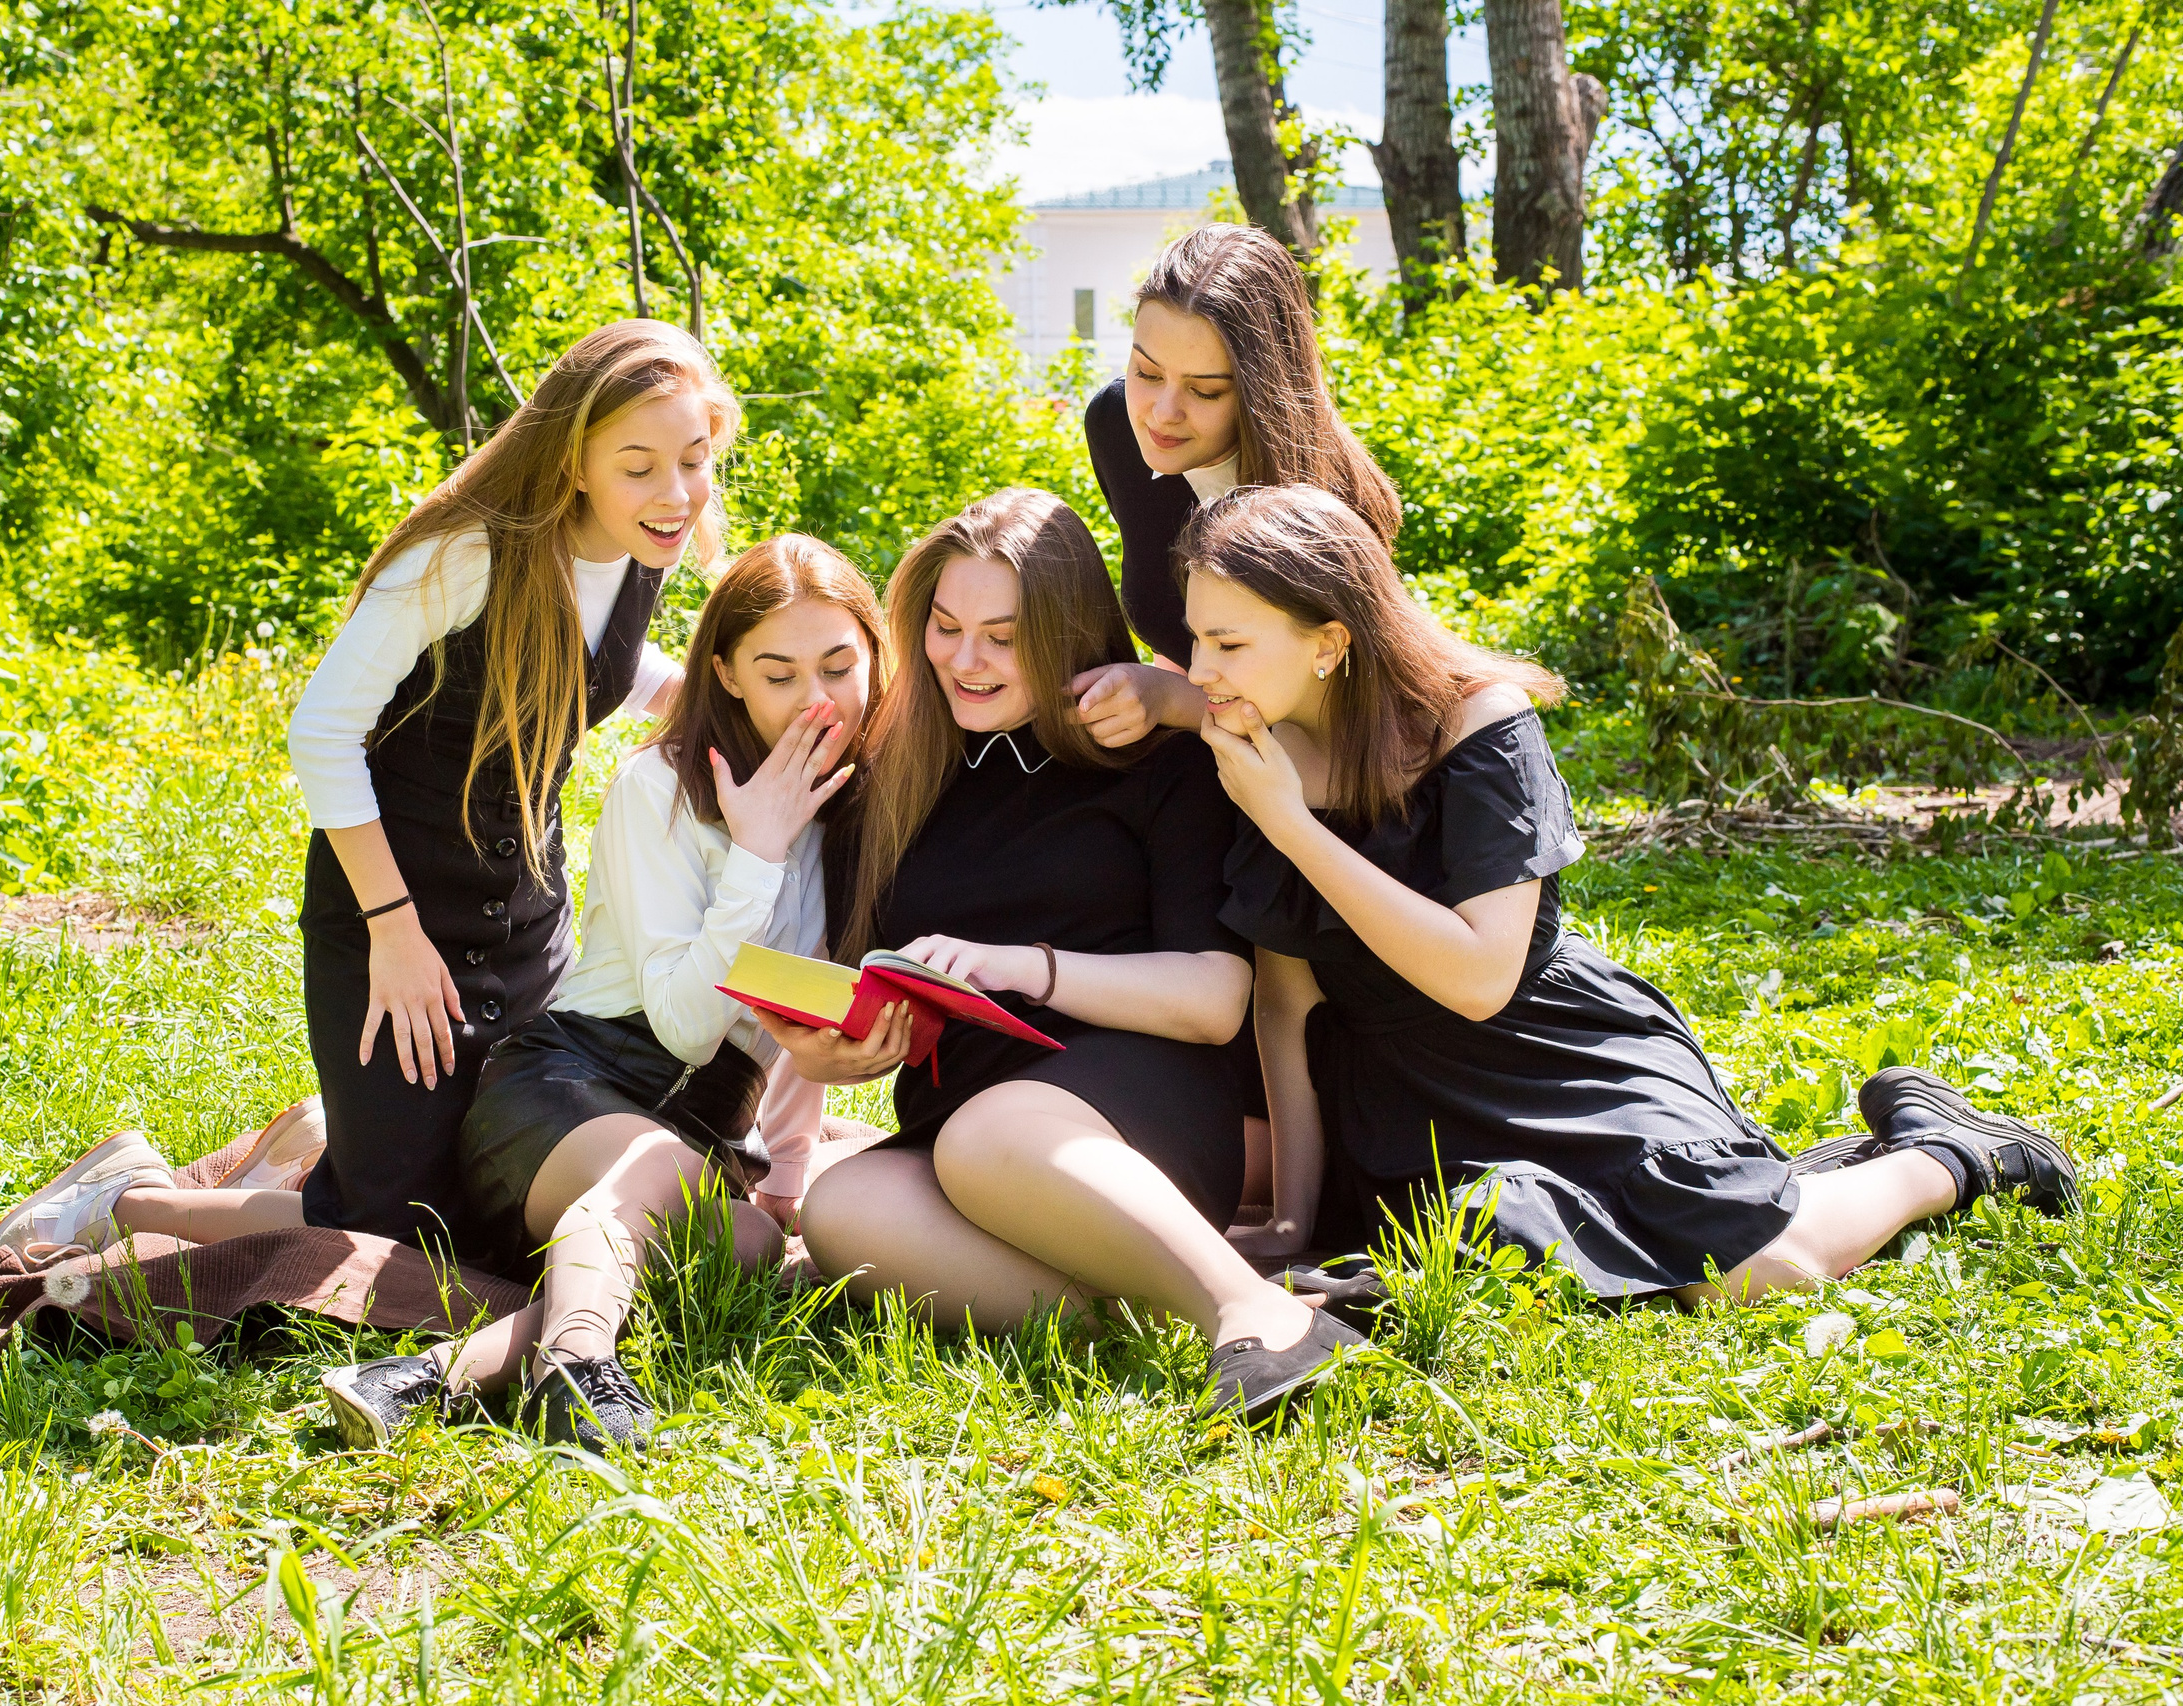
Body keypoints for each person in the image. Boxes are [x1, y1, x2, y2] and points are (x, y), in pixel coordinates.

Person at [1183, 484, 2078, 1300]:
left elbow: (1480, 976)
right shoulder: (1255, 751)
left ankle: (1951, 1151)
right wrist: (1296, 1215)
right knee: (1510, 1245)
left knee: (1759, 1274)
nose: (1199, 670)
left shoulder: (1478, 723)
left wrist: (1291, 823)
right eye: (1195, 637)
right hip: (1397, 1094)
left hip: (1554, 1048)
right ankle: (1791, 1186)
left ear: (1330, 642)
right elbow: (1286, 1005)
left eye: (1228, 643)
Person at [0, 320, 742, 1269]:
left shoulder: (646, 548)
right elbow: (322, 733)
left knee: (490, 1192)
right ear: (573, 460)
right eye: (640, 466)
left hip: (527, 925)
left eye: (694, 460)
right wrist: (393, 930)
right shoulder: (465, 556)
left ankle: (320, 1139)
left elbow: (602, 664)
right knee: (393, 1232)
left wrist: (725, 708)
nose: (674, 494)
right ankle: (126, 1199)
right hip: (390, 917)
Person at [316, 535, 910, 1450]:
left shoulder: (863, 805)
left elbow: (797, 1016)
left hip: (708, 1126)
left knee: (753, 1250)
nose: (816, 699)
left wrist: (786, 1175)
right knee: (659, 1177)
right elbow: (680, 1026)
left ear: (877, 655)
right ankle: (586, 1366)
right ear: (727, 673)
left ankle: (423, 1380)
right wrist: (755, 852)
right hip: (569, 1089)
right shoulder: (661, 788)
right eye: (779, 672)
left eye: (840, 665)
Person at [794, 488, 1362, 1421]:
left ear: (1064, 632)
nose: (965, 662)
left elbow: (1216, 998)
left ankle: (1255, 1314)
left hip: (1138, 1110)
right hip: (963, 1126)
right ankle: (1176, 1313)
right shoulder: (890, 780)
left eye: (1003, 637)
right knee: (842, 1208)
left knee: (992, 1131)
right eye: (944, 627)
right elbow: (877, 983)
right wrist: (833, 1050)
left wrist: (1023, 964)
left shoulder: (1154, 762)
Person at [1063, 223, 1403, 1218]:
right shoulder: (1117, 431)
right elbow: (1183, 617)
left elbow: (1340, 722)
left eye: (1204, 391)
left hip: (1325, 801)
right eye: (1142, 370)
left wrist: (1176, 698)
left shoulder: (1319, 502)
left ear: (1263, 389)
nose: (1161, 413)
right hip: (1206, 766)